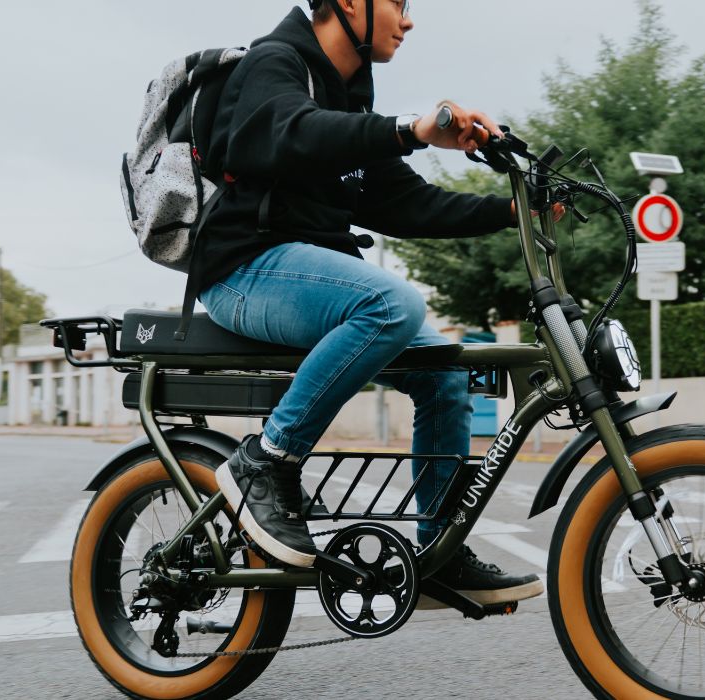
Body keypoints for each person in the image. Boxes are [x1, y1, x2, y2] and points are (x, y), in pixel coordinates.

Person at [195, 0, 544, 607]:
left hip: (306, 282)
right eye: (399, 5)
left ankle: (437, 553)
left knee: (447, 375)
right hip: (243, 273)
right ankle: (267, 461)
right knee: (391, 303)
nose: (408, 22)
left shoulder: (351, 102)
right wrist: (409, 128)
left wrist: (508, 211)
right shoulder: (274, 64)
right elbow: (293, 132)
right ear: (351, 2)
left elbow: (407, 204)